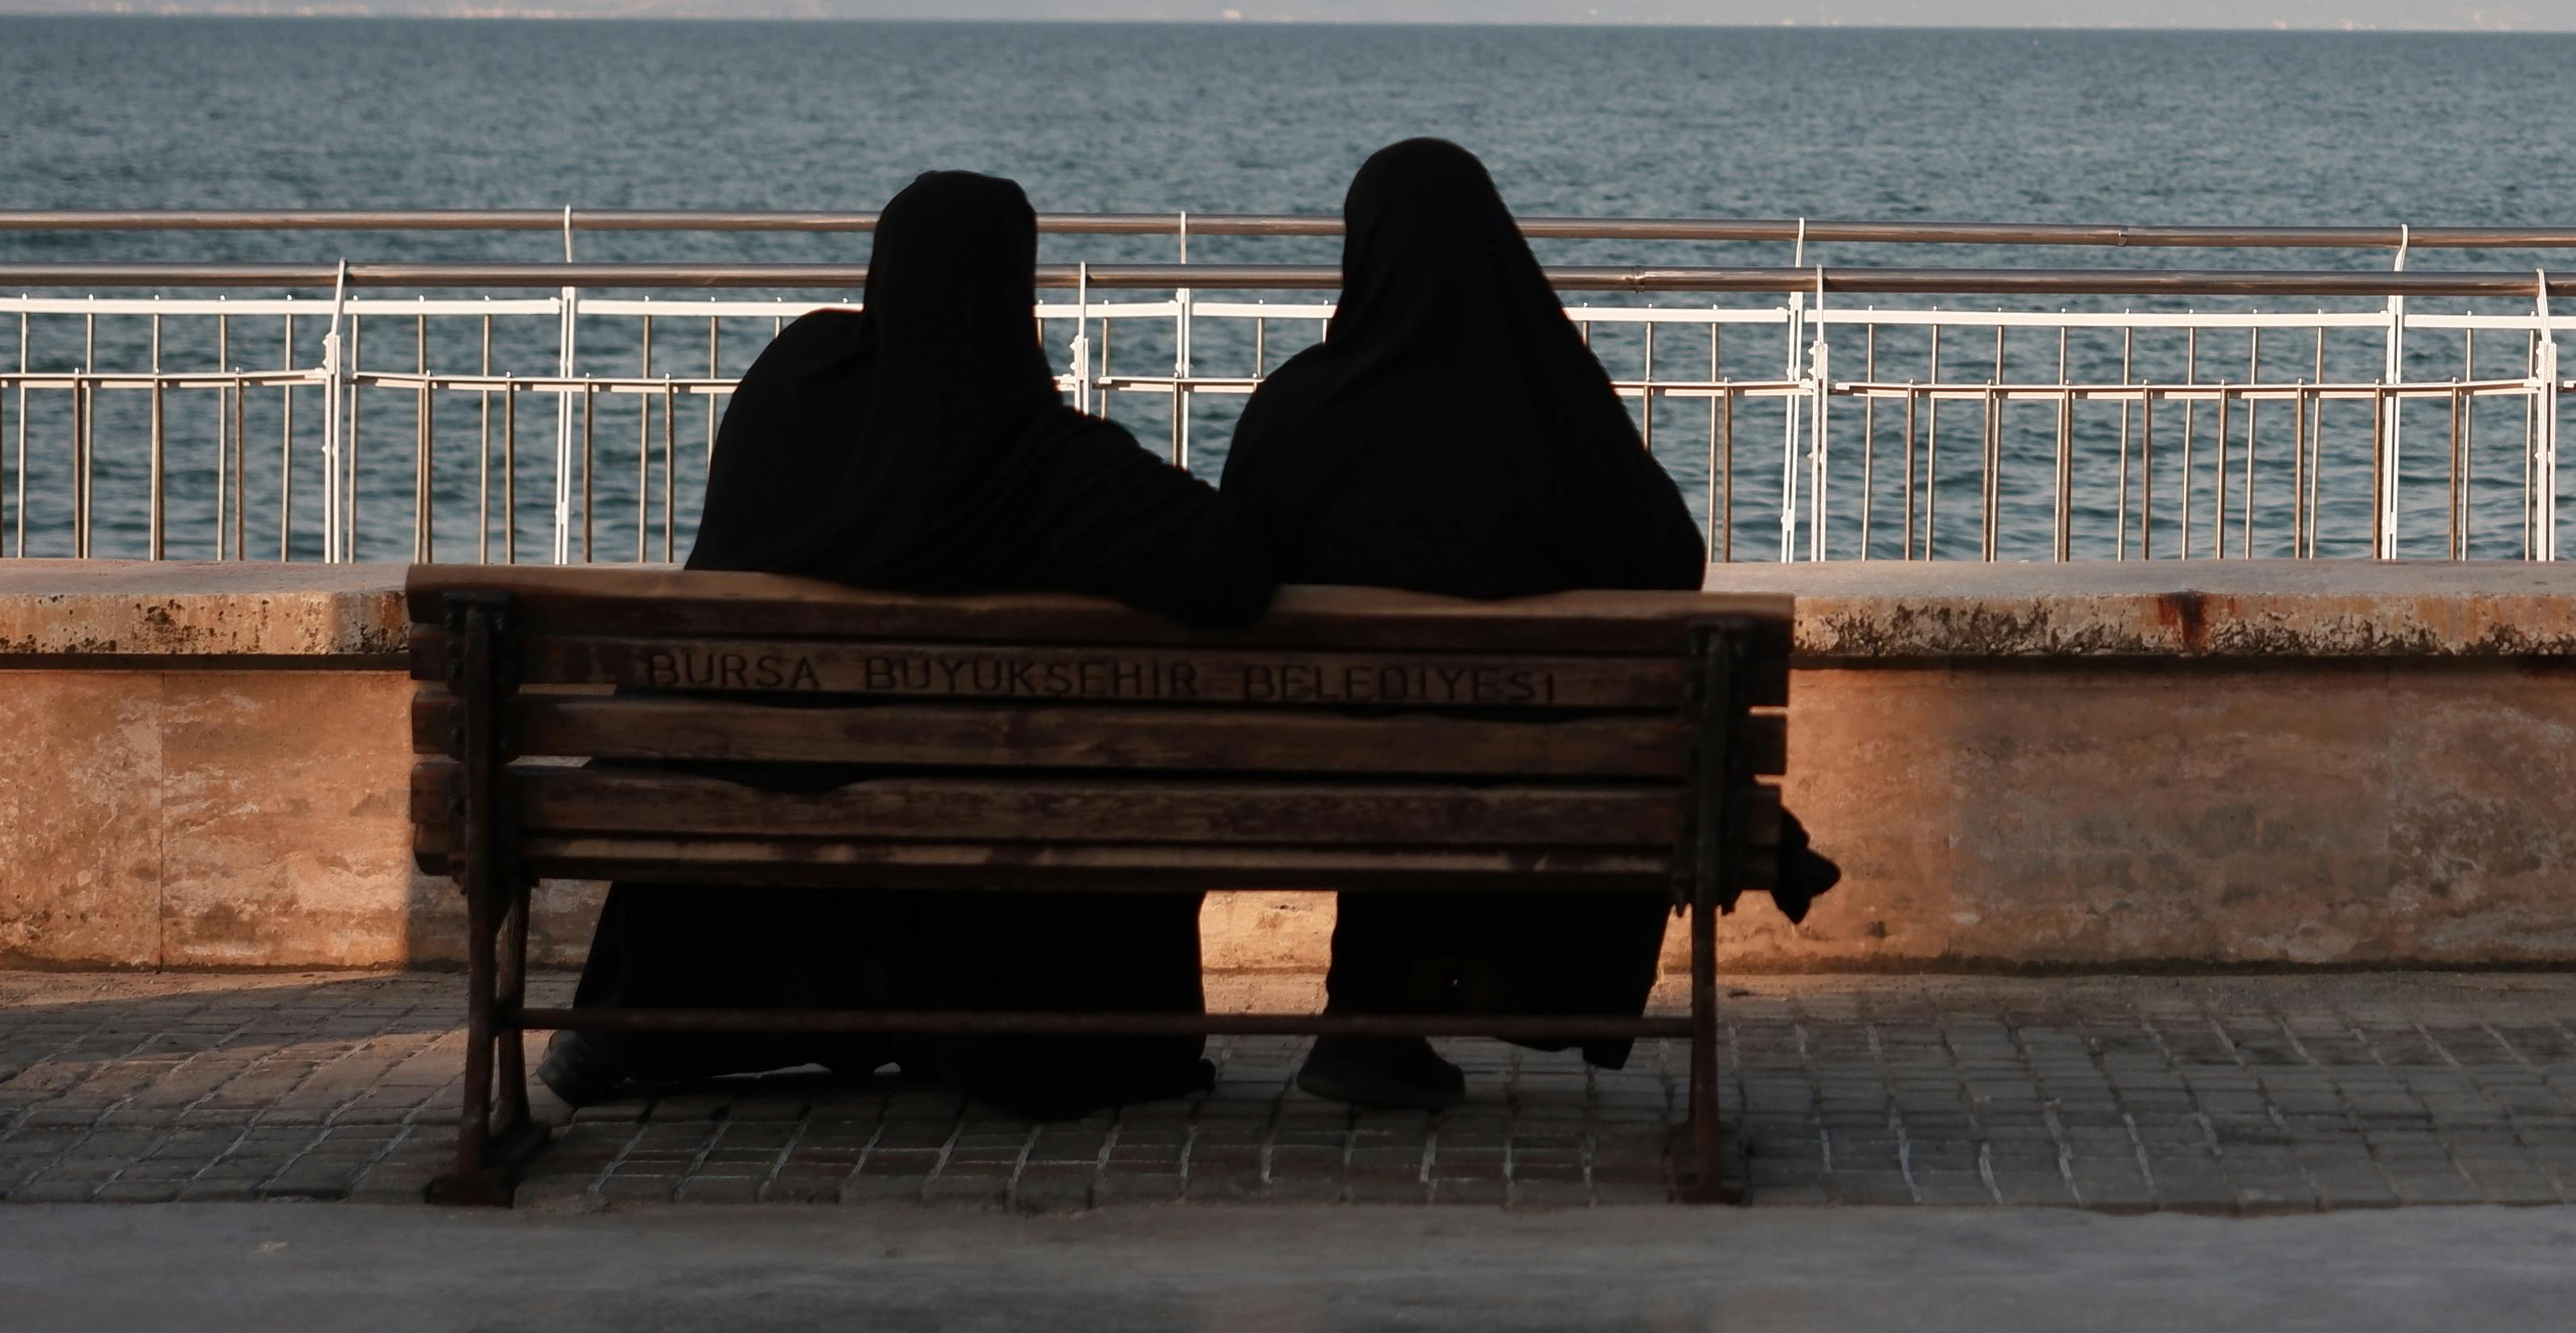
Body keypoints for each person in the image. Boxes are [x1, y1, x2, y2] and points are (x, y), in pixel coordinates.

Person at [539, 170, 1285, 1118]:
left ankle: (638, 1023)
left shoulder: (794, 380)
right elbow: (1232, 569)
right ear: (1016, 294)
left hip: (727, 789)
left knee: (785, 761)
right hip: (957, 826)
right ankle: (1046, 1042)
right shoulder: (1033, 458)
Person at [1223, 135, 1829, 1110]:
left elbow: (1238, 560)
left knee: (1396, 739)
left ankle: (1370, 1021)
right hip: (1549, 790)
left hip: (1316, 780)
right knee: (1495, 742)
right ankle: (1449, 1010)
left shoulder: (1294, 411)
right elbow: (1672, 556)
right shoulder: (1552, 408)